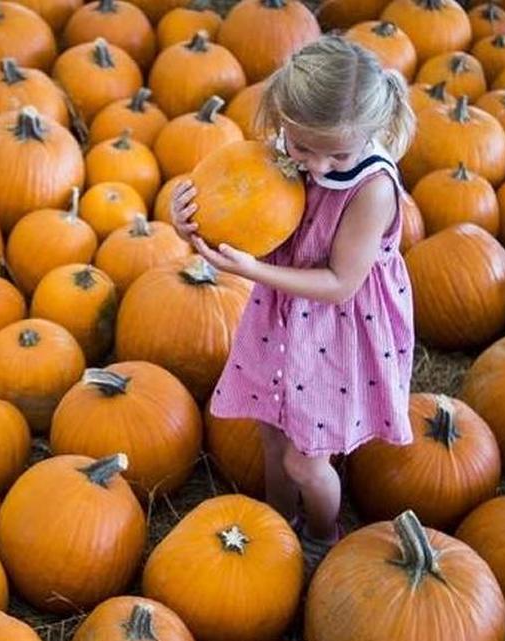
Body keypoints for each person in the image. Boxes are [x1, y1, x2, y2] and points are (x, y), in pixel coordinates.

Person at [171, 34, 417, 569]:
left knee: (308, 459)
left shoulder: (370, 189)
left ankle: (321, 535)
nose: (319, 168)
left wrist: (255, 271)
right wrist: (187, 212)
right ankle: (274, 524)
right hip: (282, 317)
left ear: (369, 135)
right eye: (303, 148)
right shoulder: (284, 153)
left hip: (339, 325)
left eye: (338, 155)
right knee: (270, 433)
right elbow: (235, 206)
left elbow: (341, 284)